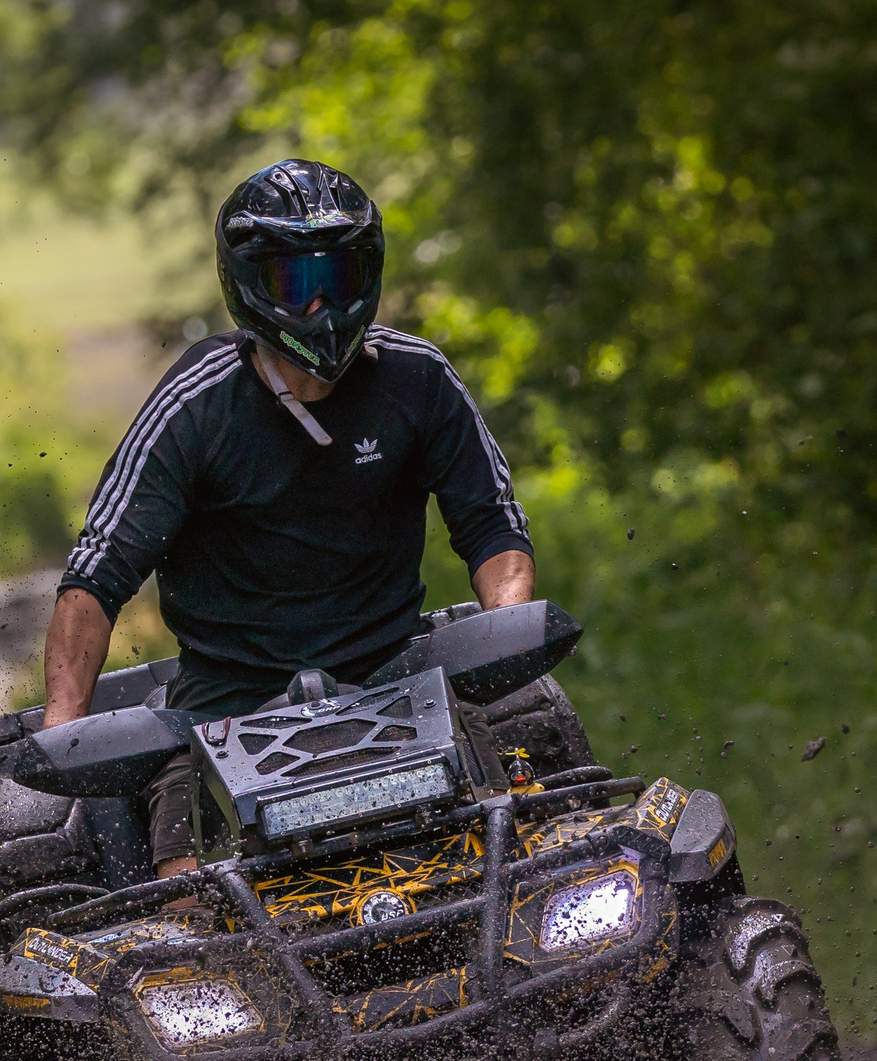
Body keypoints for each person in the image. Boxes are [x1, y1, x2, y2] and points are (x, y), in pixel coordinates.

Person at [41, 158, 538, 880]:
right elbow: (94, 580)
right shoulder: (194, 406)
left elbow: (492, 524)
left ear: (369, 274)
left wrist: (507, 630)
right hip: (223, 708)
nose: (322, 306)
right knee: (183, 893)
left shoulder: (418, 378)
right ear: (248, 285)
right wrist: (64, 731)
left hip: (400, 678)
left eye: (337, 277)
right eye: (296, 284)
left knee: (507, 840)